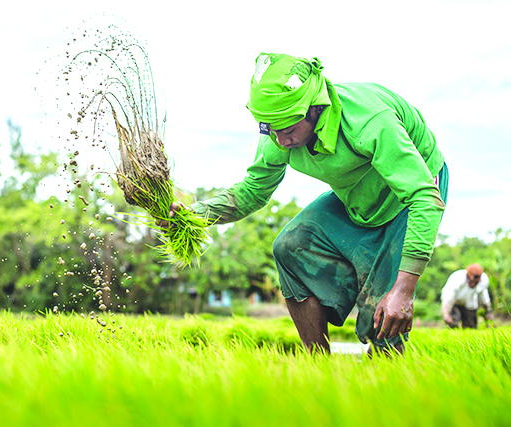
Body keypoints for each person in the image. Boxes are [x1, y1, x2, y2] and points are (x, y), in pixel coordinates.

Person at [167, 53, 448, 355]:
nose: (281, 140)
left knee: (383, 319)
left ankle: (387, 374)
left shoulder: (370, 120)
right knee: (290, 245)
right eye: (271, 129)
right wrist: (195, 215)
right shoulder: (278, 135)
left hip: (408, 198)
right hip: (354, 196)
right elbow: (252, 191)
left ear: (316, 109)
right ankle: (316, 364)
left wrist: (403, 290)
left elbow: (423, 197)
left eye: (288, 130)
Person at [441, 263, 495, 329]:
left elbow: (483, 296)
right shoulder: (457, 279)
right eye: (471, 281)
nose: (473, 284)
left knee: (471, 327)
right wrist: (446, 314)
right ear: (467, 276)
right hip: (454, 303)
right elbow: (448, 297)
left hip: (470, 304)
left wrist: (488, 311)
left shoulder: (483, 281)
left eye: (476, 282)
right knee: (453, 324)